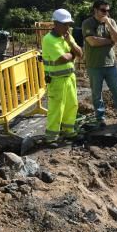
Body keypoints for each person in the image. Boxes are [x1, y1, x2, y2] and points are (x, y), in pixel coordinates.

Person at [81, 0, 117, 128]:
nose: (106, 13)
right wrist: (109, 41)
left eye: (108, 10)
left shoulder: (111, 22)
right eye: (103, 10)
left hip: (111, 64)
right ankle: (100, 119)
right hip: (94, 65)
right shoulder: (87, 23)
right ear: (95, 9)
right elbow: (92, 42)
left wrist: (109, 25)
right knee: (96, 94)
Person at [41, 8, 83, 144]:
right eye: (64, 24)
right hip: (56, 80)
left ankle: (68, 131)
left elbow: (80, 53)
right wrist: (73, 54)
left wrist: (71, 44)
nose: (67, 27)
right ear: (55, 23)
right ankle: (51, 137)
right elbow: (63, 58)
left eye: (68, 24)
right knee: (56, 108)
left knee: (72, 105)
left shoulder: (67, 36)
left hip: (69, 77)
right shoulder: (49, 39)